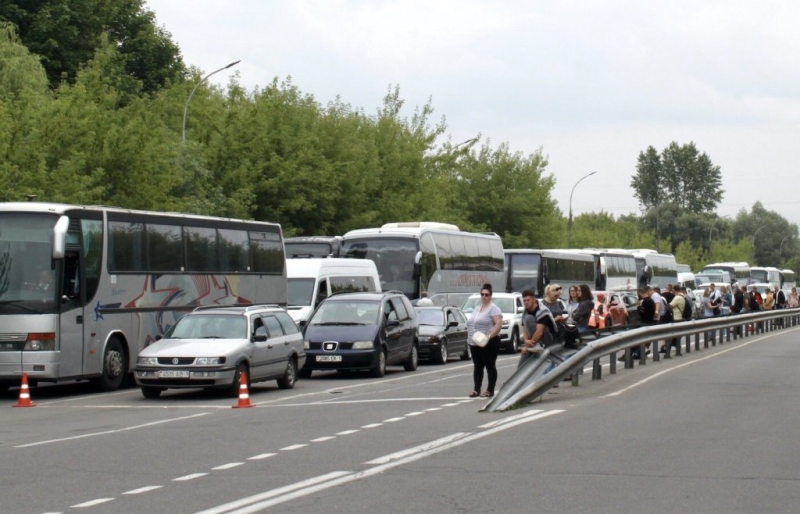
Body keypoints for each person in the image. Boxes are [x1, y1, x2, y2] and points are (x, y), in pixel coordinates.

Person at [466, 283, 503, 398]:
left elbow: (498, 324)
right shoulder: (477, 308)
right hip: (475, 342)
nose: (484, 296)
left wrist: (489, 336)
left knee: (489, 365)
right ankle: (476, 389)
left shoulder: (493, 308)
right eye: (482, 294)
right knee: (478, 366)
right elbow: (472, 322)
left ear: (490, 296)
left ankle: (490, 390)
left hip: (488, 342)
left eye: (486, 295)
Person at [518, 290, 557, 369]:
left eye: (528, 300)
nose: (526, 302)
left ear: (534, 299)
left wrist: (528, 346)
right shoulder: (526, 312)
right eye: (524, 301)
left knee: (529, 319)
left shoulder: (542, 311)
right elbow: (525, 330)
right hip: (534, 340)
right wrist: (526, 341)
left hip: (548, 338)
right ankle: (520, 375)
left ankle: (538, 345)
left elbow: (539, 332)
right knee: (522, 364)